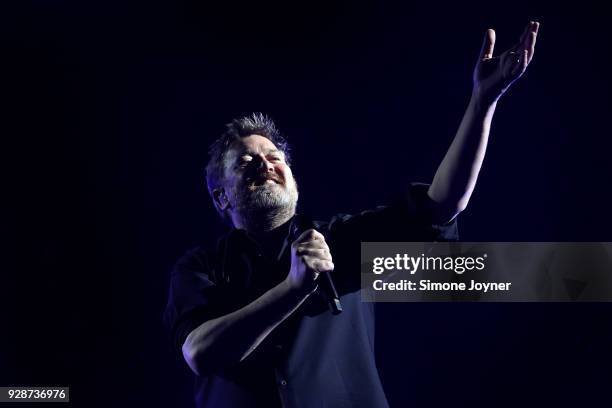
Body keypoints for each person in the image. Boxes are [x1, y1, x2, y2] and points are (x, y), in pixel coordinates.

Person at [163, 21, 540, 408]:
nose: (265, 164)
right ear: (221, 198)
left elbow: (441, 205)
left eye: (274, 157)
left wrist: (482, 102)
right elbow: (200, 353)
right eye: (246, 162)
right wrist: (293, 288)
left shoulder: (341, 240)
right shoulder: (199, 268)